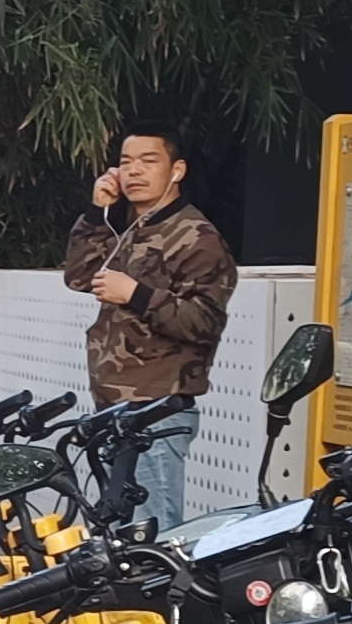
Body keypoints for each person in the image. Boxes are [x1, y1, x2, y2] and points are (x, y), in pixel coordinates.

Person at [62, 123, 238, 530]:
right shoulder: (128, 226)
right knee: (119, 534)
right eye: (126, 162)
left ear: (177, 171)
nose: (134, 171)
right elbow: (80, 276)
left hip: (156, 413)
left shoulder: (197, 237)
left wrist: (136, 294)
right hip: (115, 409)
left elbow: (205, 321)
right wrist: (98, 211)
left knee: (151, 532)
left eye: (148, 161)